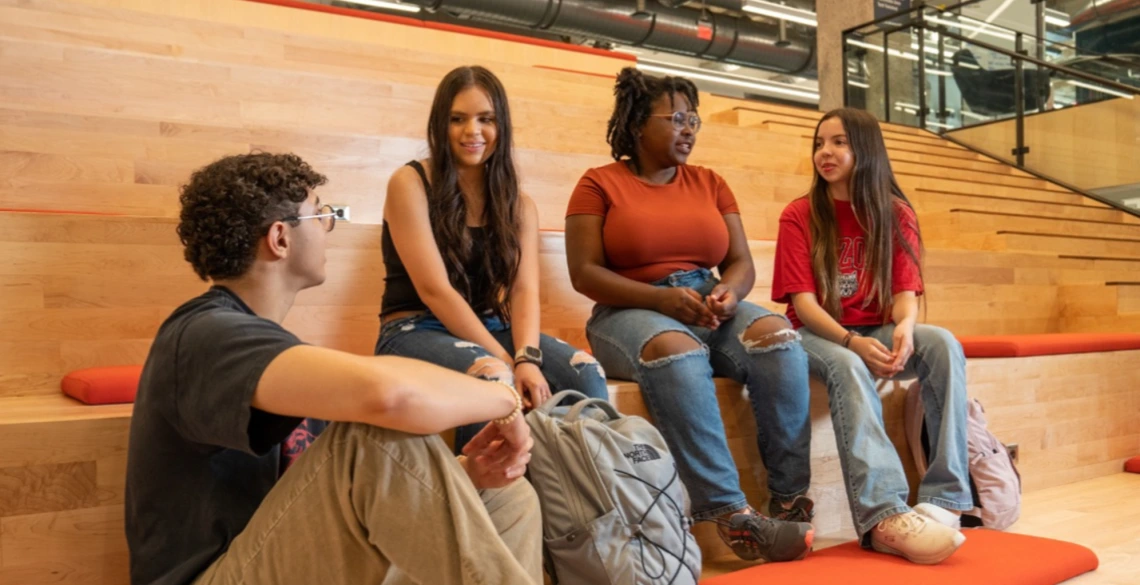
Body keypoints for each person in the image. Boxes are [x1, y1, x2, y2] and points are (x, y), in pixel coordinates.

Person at [125, 152, 542, 585]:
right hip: (217, 576)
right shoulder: (206, 335)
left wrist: (471, 474)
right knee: (372, 434)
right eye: (321, 215)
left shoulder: (273, 350)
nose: (329, 228)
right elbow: (390, 396)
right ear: (281, 239)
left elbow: (323, 501)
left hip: (292, 557)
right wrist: (503, 399)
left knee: (507, 498)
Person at [564, 67, 814, 564]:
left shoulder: (710, 183)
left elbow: (740, 261)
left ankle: (788, 501)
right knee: (678, 352)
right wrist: (659, 301)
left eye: (693, 120)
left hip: (706, 300)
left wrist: (729, 291)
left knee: (778, 337)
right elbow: (584, 273)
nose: (688, 130)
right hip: (628, 309)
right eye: (676, 119)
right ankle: (729, 514)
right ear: (637, 124)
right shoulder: (599, 184)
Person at [772, 107, 971, 564]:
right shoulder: (798, 214)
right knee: (846, 363)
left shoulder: (895, 212)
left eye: (839, 142)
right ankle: (882, 513)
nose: (826, 152)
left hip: (873, 327)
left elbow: (905, 292)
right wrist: (850, 342)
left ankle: (946, 500)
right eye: (820, 143)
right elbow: (802, 305)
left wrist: (904, 325)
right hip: (814, 335)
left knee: (941, 343)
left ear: (866, 149)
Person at [375, 65, 608, 452]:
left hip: (487, 326)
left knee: (585, 372)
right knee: (494, 379)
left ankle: (580, 500)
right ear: (439, 124)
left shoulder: (518, 204)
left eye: (486, 119)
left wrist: (526, 358)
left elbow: (524, 289)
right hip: (413, 330)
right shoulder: (410, 182)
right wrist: (504, 359)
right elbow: (435, 290)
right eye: (458, 119)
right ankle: (488, 503)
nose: (473, 132)